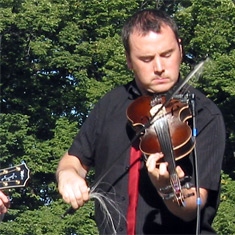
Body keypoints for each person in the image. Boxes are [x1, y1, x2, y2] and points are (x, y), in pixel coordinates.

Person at [56, 9, 225, 234]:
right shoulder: (111, 104)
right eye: (146, 59)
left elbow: (193, 206)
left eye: (167, 54)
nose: (159, 67)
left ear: (181, 49)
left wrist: (167, 187)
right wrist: (67, 175)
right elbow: (73, 160)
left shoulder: (203, 114)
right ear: (128, 60)